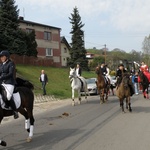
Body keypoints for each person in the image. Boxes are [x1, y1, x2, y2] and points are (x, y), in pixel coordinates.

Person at [0, 50, 19, 119]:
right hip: (2, 83)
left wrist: (2, 77)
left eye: (3, 57)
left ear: (7, 57)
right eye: (1, 57)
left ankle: (15, 111)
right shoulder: (1, 65)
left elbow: (10, 74)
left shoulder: (10, 64)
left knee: (8, 96)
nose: (1, 58)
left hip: (9, 83)